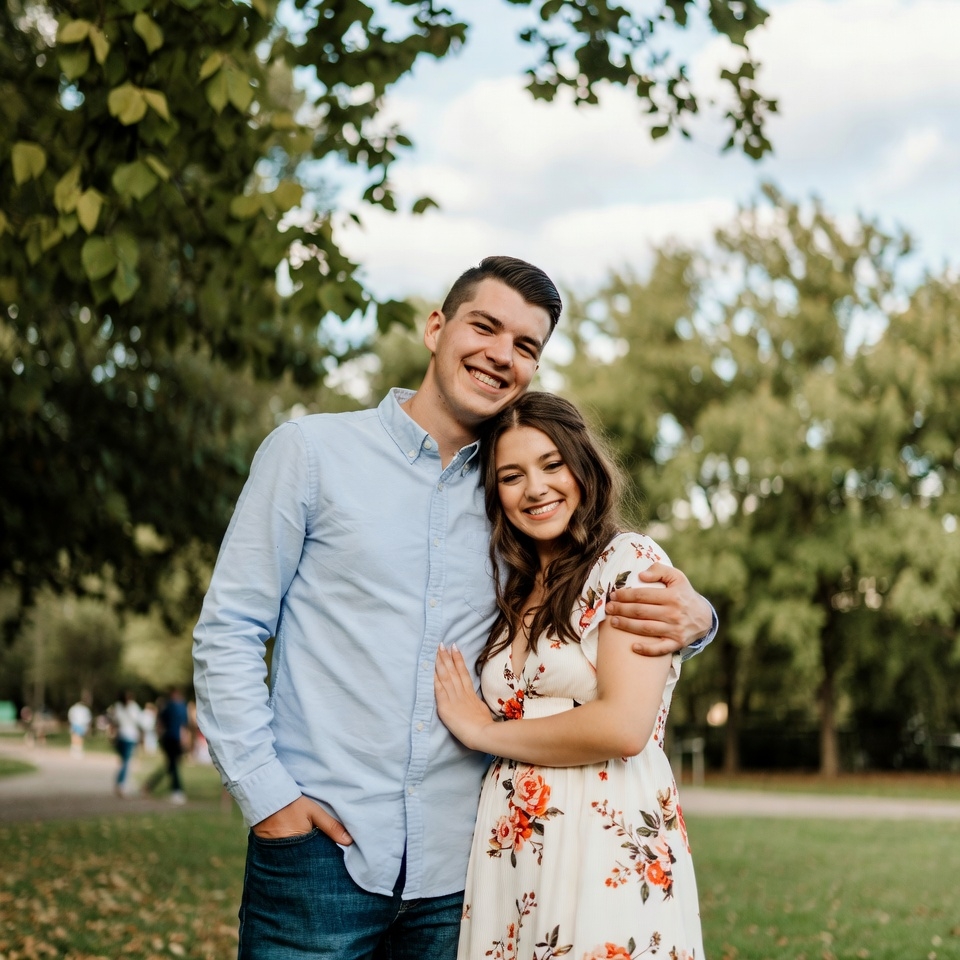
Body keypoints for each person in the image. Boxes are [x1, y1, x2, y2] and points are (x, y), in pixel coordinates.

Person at [193, 256, 716, 959]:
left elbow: (594, 595)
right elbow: (230, 629)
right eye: (486, 326)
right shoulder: (311, 453)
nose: (501, 354)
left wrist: (699, 620)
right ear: (436, 327)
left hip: (463, 866)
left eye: (526, 345)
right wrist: (267, 799)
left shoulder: (515, 500)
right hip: (319, 848)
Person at [435, 392, 703, 959]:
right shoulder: (514, 586)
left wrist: (482, 732)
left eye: (552, 464)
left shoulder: (627, 563)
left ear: (583, 465)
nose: (535, 488)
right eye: (512, 475)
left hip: (600, 837)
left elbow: (624, 727)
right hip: (515, 845)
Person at [143, 688, 189, 804]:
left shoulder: (175, 706)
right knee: (172, 765)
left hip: (172, 739)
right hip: (171, 739)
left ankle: (150, 785)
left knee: (171, 765)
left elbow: (163, 722)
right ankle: (176, 790)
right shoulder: (175, 706)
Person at [109, 690, 142, 797]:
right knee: (126, 761)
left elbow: (115, 721)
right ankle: (121, 783)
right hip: (129, 737)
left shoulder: (118, 708)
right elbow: (139, 721)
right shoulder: (133, 708)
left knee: (124, 761)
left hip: (121, 736)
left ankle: (120, 781)